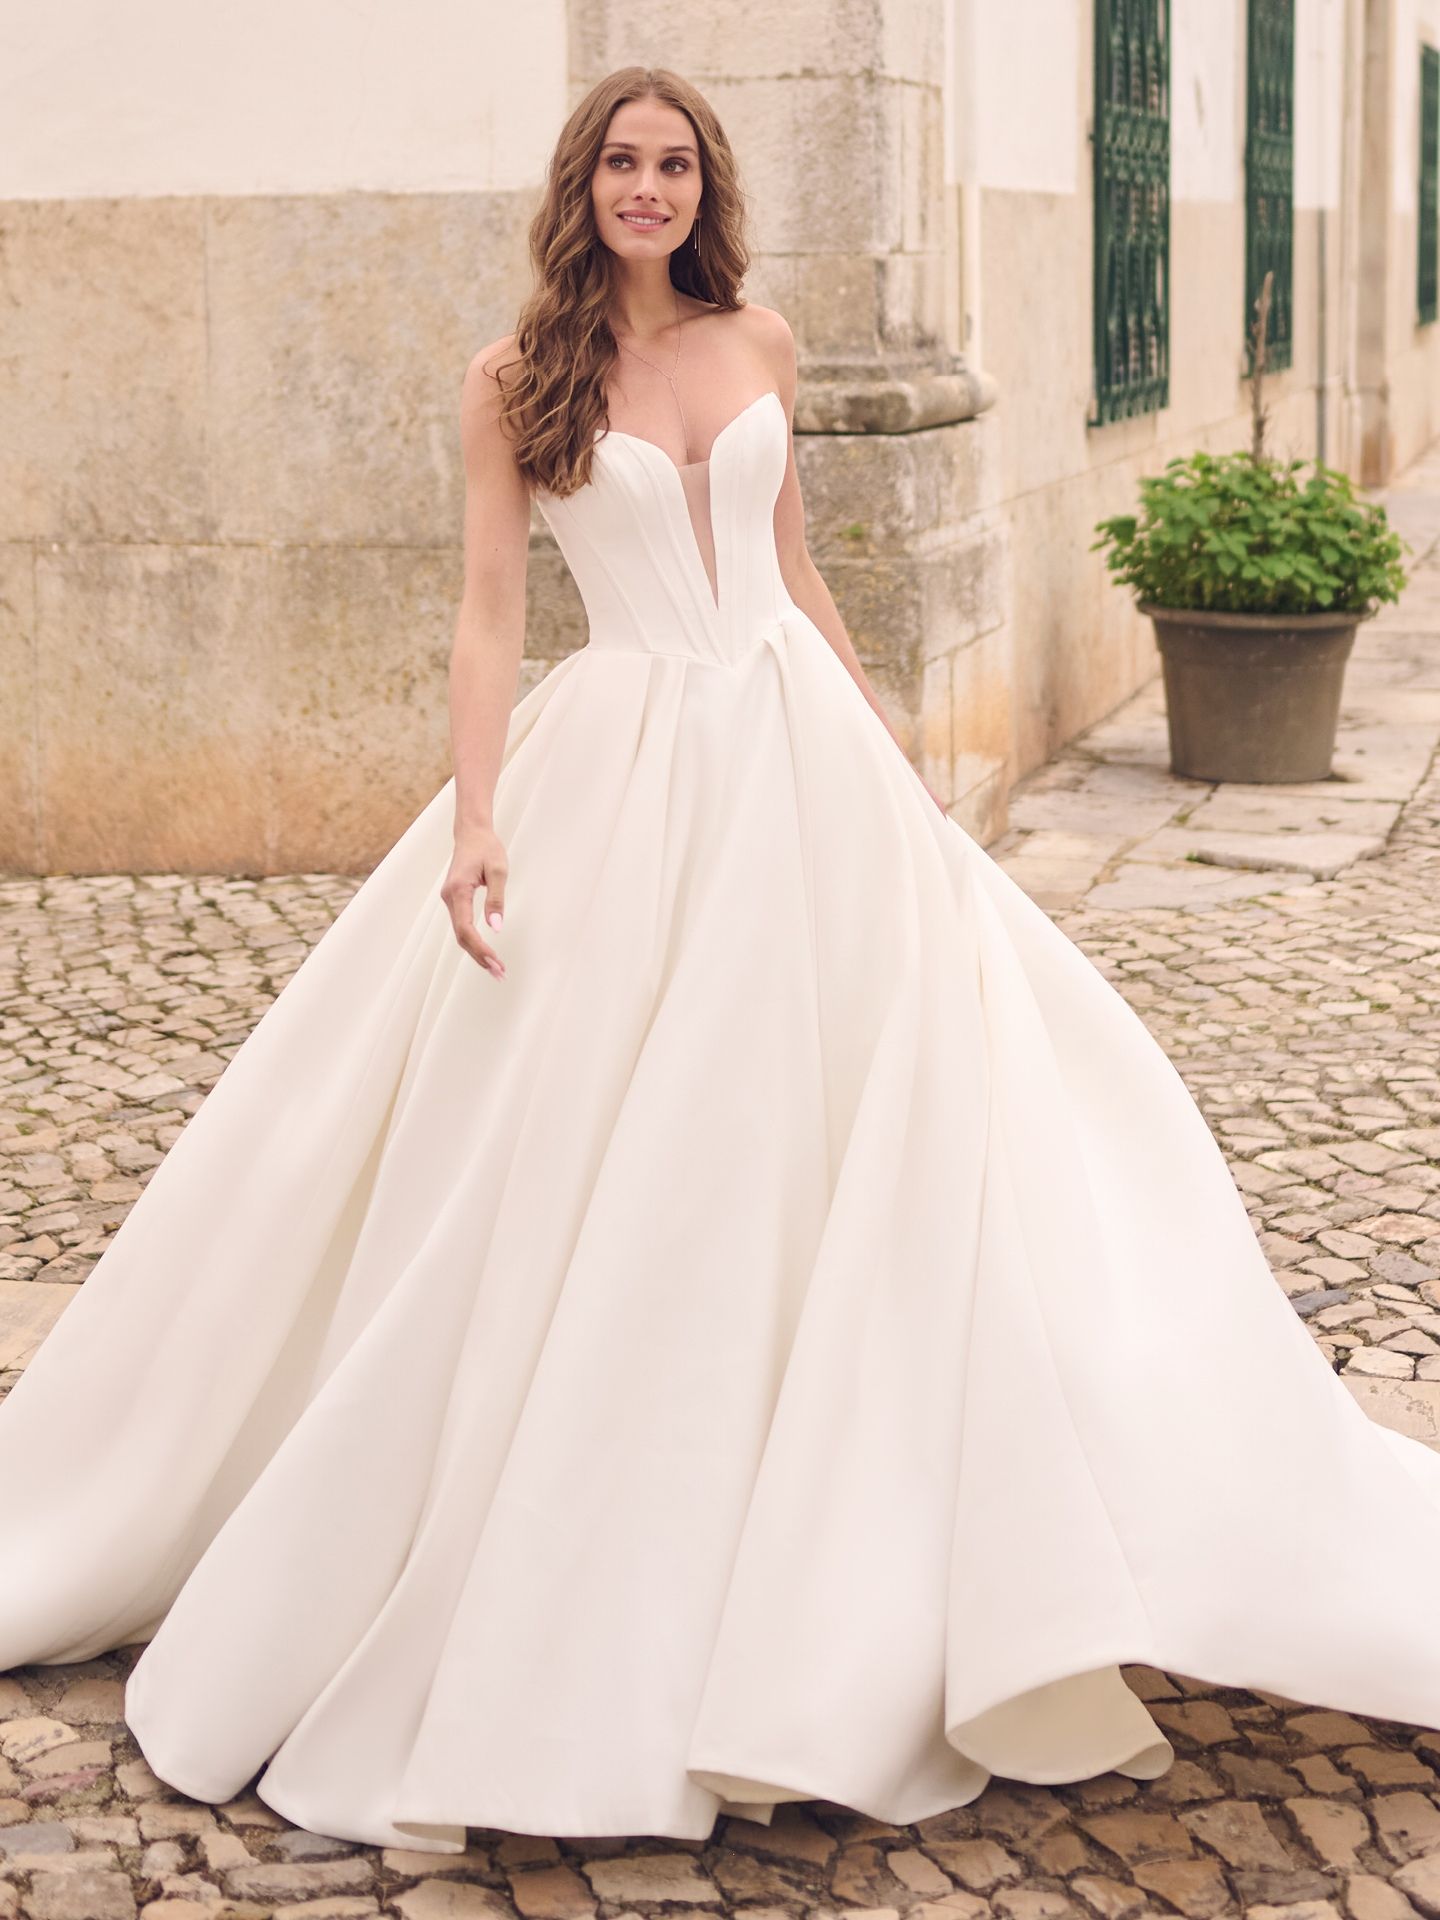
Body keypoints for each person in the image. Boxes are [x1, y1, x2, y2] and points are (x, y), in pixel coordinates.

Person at [2, 63, 1440, 1859]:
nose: (651, 186)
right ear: (580, 182)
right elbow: (487, 609)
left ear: (708, 187)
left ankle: (894, 1529)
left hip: (800, 767)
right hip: (618, 768)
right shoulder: (515, 383)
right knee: (607, 1155)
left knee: (896, 1121)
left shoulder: (762, 342)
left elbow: (799, 573)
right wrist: (472, 820)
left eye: (677, 162)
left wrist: (895, 776)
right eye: (624, 159)